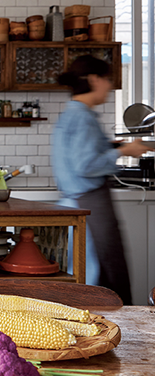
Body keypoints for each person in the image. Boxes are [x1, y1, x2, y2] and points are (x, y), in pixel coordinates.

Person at [52, 55, 152, 305]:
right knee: (107, 275)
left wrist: (110, 145)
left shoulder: (72, 115)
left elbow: (82, 154)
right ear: (94, 80)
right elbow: (85, 165)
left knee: (93, 274)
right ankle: (121, 335)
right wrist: (124, 151)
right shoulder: (83, 117)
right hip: (91, 204)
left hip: (78, 202)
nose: (110, 85)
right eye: (107, 79)